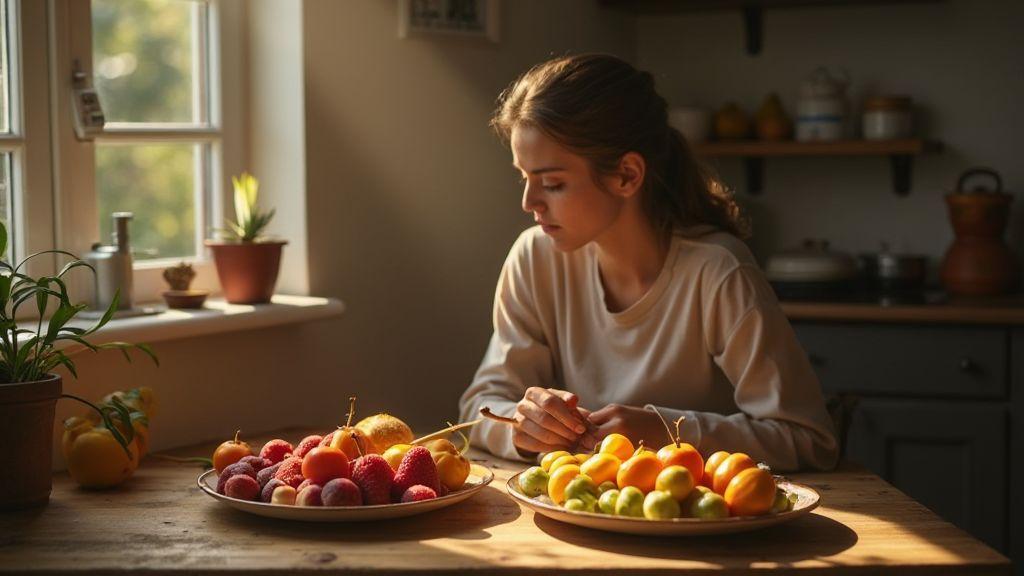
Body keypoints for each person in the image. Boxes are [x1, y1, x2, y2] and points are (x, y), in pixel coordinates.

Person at [458, 54, 838, 472]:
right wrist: (523, 427)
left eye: (553, 183)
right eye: (524, 178)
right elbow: (479, 408)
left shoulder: (717, 272)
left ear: (626, 175)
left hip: (703, 525)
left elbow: (807, 437)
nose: (529, 203)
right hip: (584, 521)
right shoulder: (535, 258)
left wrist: (671, 432)